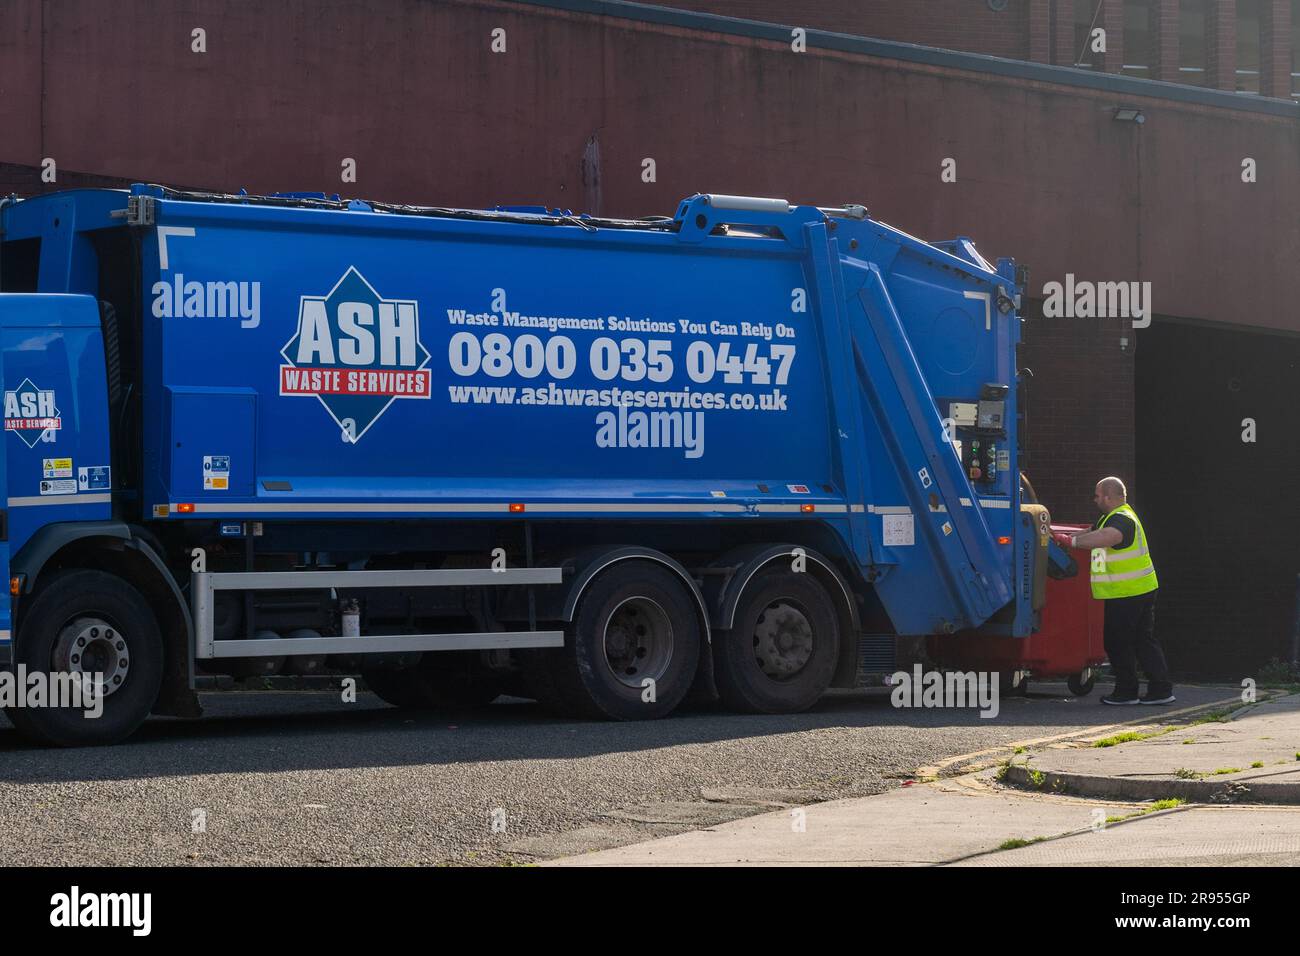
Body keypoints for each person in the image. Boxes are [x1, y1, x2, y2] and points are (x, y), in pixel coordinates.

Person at [1068, 477, 1174, 705]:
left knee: (1118, 642)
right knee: (1142, 641)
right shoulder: (1114, 517)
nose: (1094, 500)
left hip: (1127, 592)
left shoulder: (1121, 520)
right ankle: (1161, 690)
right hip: (1138, 589)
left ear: (1108, 496)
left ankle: (1126, 692)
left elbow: (1110, 536)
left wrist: (1073, 543)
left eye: (1097, 495)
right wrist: (1066, 539)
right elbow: (1091, 532)